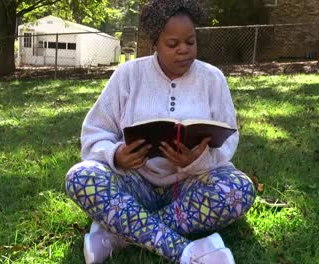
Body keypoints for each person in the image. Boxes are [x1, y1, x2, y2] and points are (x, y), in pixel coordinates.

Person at [65, 0, 256, 263]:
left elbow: (229, 138)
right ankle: (185, 252)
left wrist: (197, 161)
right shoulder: (128, 75)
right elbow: (94, 132)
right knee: (80, 176)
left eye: (190, 41)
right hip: (135, 184)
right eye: (173, 44)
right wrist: (116, 155)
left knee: (240, 189)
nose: (184, 51)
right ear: (156, 42)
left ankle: (119, 237)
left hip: (191, 187)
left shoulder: (213, 78)